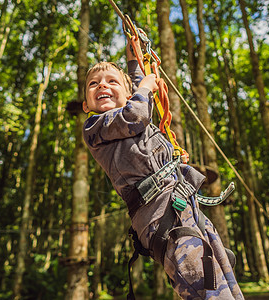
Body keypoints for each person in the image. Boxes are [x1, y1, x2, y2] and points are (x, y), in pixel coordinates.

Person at [82, 42, 244, 300]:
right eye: (94, 84)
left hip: (184, 206)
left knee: (224, 284)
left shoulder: (132, 108)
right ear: (86, 105)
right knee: (205, 288)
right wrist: (145, 87)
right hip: (160, 216)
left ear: (126, 92)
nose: (102, 85)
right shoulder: (96, 126)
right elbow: (135, 113)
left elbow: (137, 90)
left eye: (112, 81)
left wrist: (133, 56)